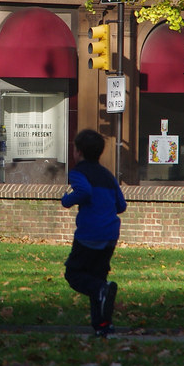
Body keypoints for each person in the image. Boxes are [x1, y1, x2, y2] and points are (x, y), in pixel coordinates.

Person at [61, 129, 127, 337]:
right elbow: (121, 205)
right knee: (97, 278)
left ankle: (102, 291)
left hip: (90, 233)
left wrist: (66, 200)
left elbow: (84, 191)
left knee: (74, 274)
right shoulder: (108, 175)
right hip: (110, 233)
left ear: (78, 152)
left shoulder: (78, 172)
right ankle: (102, 325)